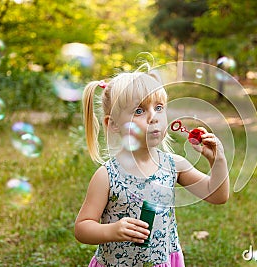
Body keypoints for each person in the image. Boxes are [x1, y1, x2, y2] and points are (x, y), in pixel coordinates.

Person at [74, 71, 229, 267]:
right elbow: (82, 227)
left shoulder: (174, 165)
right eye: (139, 111)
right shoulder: (107, 176)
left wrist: (218, 161)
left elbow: (217, 196)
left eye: (158, 108)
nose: (153, 117)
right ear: (112, 123)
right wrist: (112, 231)